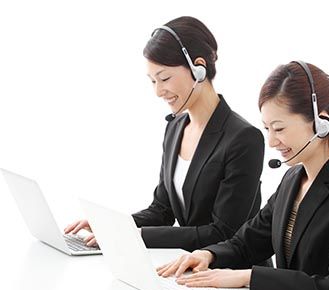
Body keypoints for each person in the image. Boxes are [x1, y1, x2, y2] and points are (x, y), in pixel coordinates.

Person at [157, 61, 329, 290]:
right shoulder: (292, 179)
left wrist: (248, 277)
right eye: (267, 128)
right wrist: (207, 255)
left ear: (321, 123)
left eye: (280, 128)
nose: (272, 141)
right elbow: (247, 243)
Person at [64, 16, 270, 262]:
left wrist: (135, 236)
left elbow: (222, 231)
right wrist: (114, 226)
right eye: (152, 81)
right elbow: (162, 210)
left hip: (230, 271)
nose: (158, 91)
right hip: (187, 266)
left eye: (164, 78)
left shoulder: (243, 138)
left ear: (199, 68)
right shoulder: (175, 128)